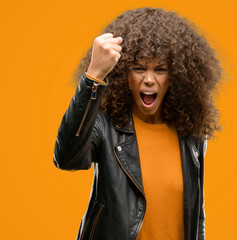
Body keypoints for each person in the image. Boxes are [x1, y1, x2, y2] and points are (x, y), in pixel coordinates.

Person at [53, 7, 222, 240]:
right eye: (139, 68)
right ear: (124, 74)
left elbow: (196, 216)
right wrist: (94, 76)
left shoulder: (190, 134)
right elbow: (66, 158)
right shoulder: (105, 125)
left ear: (176, 76)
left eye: (160, 69)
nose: (150, 79)